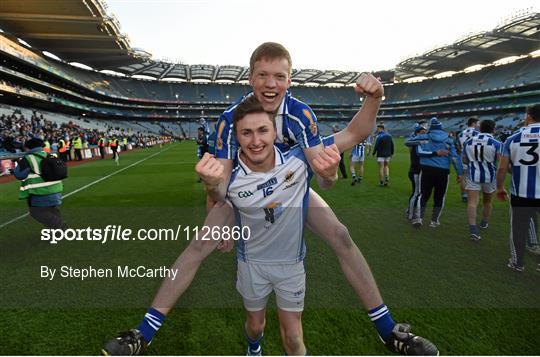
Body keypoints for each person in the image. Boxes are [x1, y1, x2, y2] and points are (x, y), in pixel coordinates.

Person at [103, 42, 438, 356]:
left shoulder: (299, 115)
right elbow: (221, 187)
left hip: (291, 191)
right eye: (262, 74)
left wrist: (374, 99)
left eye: (279, 75)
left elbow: (350, 139)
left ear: (289, 80)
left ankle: (387, 329)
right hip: (242, 199)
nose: (270, 83)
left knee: (341, 235)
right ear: (250, 78)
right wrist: (212, 194)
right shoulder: (230, 121)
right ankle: (142, 333)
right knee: (198, 245)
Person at [496, 104, 540, 272]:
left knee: (518, 230)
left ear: (529, 116)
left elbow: (502, 168)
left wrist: (500, 187)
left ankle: (517, 263)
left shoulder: (512, 139)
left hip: (521, 193)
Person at [406, 117, 463, 227]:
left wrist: (421, 141)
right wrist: (459, 173)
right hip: (443, 171)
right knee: (440, 196)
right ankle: (434, 220)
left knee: (423, 195)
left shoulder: (424, 137)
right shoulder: (448, 140)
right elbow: (455, 158)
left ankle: (419, 218)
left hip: (427, 169)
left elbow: (408, 143)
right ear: (441, 128)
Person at [13, 137, 66, 229]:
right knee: (51, 210)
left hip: (39, 192)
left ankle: (60, 226)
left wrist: (17, 166)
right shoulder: (50, 155)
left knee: (36, 212)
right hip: (56, 190)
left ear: (28, 147)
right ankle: (54, 232)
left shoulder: (28, 158)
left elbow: (19, 175)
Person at [461, 119, 501, 241]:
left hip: (473, 175)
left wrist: (474, 162)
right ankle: (484, 222)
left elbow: (464, 160)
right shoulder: (496, 143)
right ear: (493, 129)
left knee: (472, 202)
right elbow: (500, 161)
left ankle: (473, 229)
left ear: (480, 128)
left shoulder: (468, 142)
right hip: (490, 176)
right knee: (487, 201)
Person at [456, 117, 479, 202]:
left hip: (463, 155)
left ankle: (464, 195)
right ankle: (473, 195)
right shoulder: (477, 133)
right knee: (474, 176)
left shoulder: (461, 133)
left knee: (464, 176)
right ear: (473, 123)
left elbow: (458, 146)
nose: (478, 125)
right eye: (477, 123)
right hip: (473, 155)